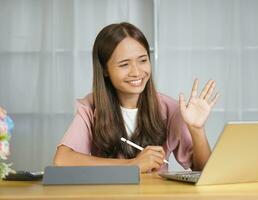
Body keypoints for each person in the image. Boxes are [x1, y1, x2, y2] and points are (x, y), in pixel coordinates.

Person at [54, 22, 220, 173]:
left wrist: (197, 130)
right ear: (105, 70)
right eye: (124, 64)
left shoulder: (170, 109)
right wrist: (133, 164)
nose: (137, 72)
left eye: (142, 60)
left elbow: (204, 171)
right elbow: (62, 160)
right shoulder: (90, 107)